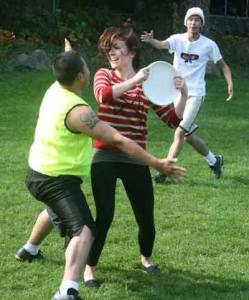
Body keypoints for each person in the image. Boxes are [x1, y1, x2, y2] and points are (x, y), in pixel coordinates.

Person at [16, 24, 187, 290]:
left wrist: (182, 92)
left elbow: (173, 119)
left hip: (135, 158)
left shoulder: (148, 85)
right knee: (104, 216)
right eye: (108, 48)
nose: (111, 52)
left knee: (146, 216)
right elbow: (103, 96)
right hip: (105, 158)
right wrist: (134, 80)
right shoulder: (104, 75)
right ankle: (89, 268)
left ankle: (146, 259)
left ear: (131, 51)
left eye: (117, 47)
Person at [141, 7, 234, 184]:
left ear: (201, 24)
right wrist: (152, 40)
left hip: (195, 94)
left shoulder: (209, 45)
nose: (194, 23)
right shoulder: (177, 39)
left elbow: (223, 65)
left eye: (197, 20)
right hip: (178, 94)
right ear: (186, 22)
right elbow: (162, 45)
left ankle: (165, 170)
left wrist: (229, 83)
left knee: (179, 133)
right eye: (191, 19)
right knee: (188, 136)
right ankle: (215, 161)